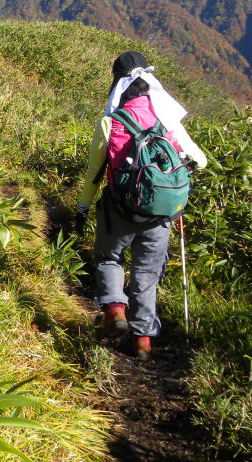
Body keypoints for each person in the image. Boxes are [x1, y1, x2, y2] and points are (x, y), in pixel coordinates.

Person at [74, 51, 207, 360]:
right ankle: (143, 341)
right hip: (160, 215)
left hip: (118, 208)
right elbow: (200, 160)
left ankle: (116, 311)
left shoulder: (111, 122)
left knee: (109, 259)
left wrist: (82, 209)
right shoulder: (167, 118)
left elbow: (95, 173)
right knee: (146, 275)